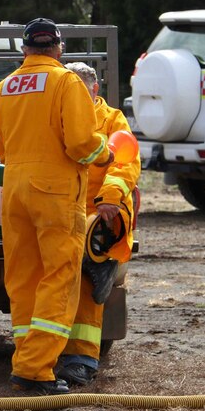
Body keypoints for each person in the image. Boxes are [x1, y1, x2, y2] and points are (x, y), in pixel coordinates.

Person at [0, 18, 113, 395]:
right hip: (55, 191)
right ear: (59, 49)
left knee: (23, 277)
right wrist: (105, 154)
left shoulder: (4, 87)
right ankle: (34, 369)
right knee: (60, 276)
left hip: (13, 189)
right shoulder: (66, 81)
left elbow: (4, 148)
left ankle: (25, 358)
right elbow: (80, 143)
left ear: (24, 50)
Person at [57, 62, 140, 386]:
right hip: (58, 208)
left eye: (79, 89)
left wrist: (108, 199)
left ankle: (81, 358)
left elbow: (124, 163)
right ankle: (42, 353)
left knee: (88, 273)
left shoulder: (111, 121)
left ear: (94, 90)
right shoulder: (57, 115)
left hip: (99, 214)